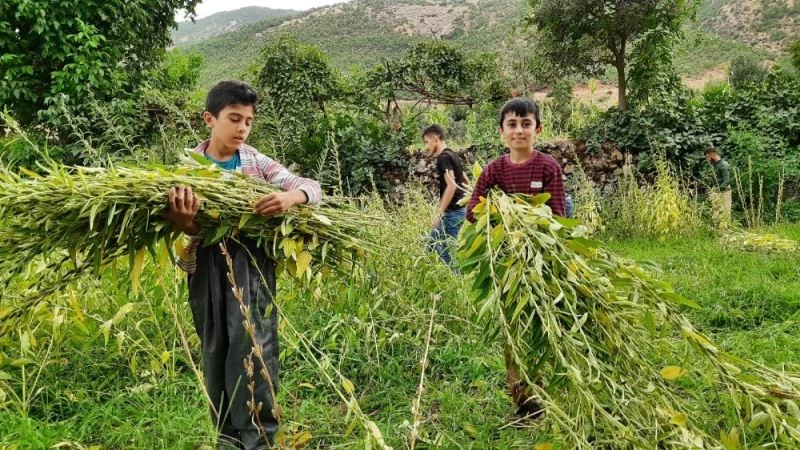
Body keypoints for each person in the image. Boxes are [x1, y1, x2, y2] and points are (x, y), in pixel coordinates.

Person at [163, 80, 322, 449]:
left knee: (253, 348)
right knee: (216, 349)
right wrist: (185, 222)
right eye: (234, 119)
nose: (242, 129)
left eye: (248, 121)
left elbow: (311, 187)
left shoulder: (255, 161)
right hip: (206, 267)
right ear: (209, 119)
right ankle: (228, 440)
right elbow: (189, 231)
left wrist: (289, 198)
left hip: (251, 263)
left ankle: (259, 439)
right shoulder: (188, 169)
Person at [465, 97, 566, 425]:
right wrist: (501, 217)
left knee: (541, 326)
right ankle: (523, 404)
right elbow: (472, 211)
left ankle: (546, 395)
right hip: (507, 265)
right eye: (512, 124)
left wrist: (529, 220)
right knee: (512, 330)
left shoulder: (549, 167)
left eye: (526, 124)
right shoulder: (495, 170)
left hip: (540, 261)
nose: (519, 130)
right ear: (502, 132)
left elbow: (558, 216)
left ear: (538, 129)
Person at [423, 124, 469, 268]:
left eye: (427, 141)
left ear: (435, 138)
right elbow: (464, 179)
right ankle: (426, 272)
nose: (427, 146)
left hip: (452, 213)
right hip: (458, 211)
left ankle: (458, 280)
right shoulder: (452, 154)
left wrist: (440, 212)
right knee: (431, 241)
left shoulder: (443, 157)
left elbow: (452, 185)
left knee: (446, 252)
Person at [704, 147, 732, 227]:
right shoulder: (715, 165)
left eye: (707, 157)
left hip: (724, 192)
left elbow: (726, 181)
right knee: (716, 212)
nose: (707, 159)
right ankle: (718, 230)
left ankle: (727, 232)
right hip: (716, 192)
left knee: (725, 212)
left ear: (712, 154)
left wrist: (717, 189)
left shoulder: (723, 165)